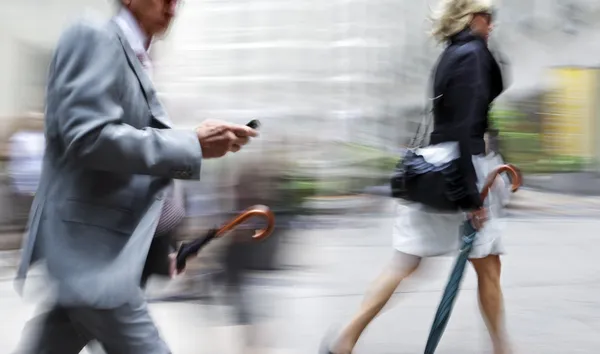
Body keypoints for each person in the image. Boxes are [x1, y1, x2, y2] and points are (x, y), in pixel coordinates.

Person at [13, 0, 257, 353]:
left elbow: (131, 163)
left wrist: (194, 142)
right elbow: (88, 137)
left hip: (102, 260)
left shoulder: (137, 57)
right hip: (93, 262)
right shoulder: (94, 36)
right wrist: (191, 144)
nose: (174, 7)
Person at [321, 0, 511, 353]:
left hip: (439, 167)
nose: (493, 24)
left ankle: (345, 338)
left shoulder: (452, 53)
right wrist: (470, 197)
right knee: (488, 266)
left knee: (407, 262)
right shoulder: (472, 54)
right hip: (465, 171)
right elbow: (465, 127)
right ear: (473, 18)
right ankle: (503, 349)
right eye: (489, 17)